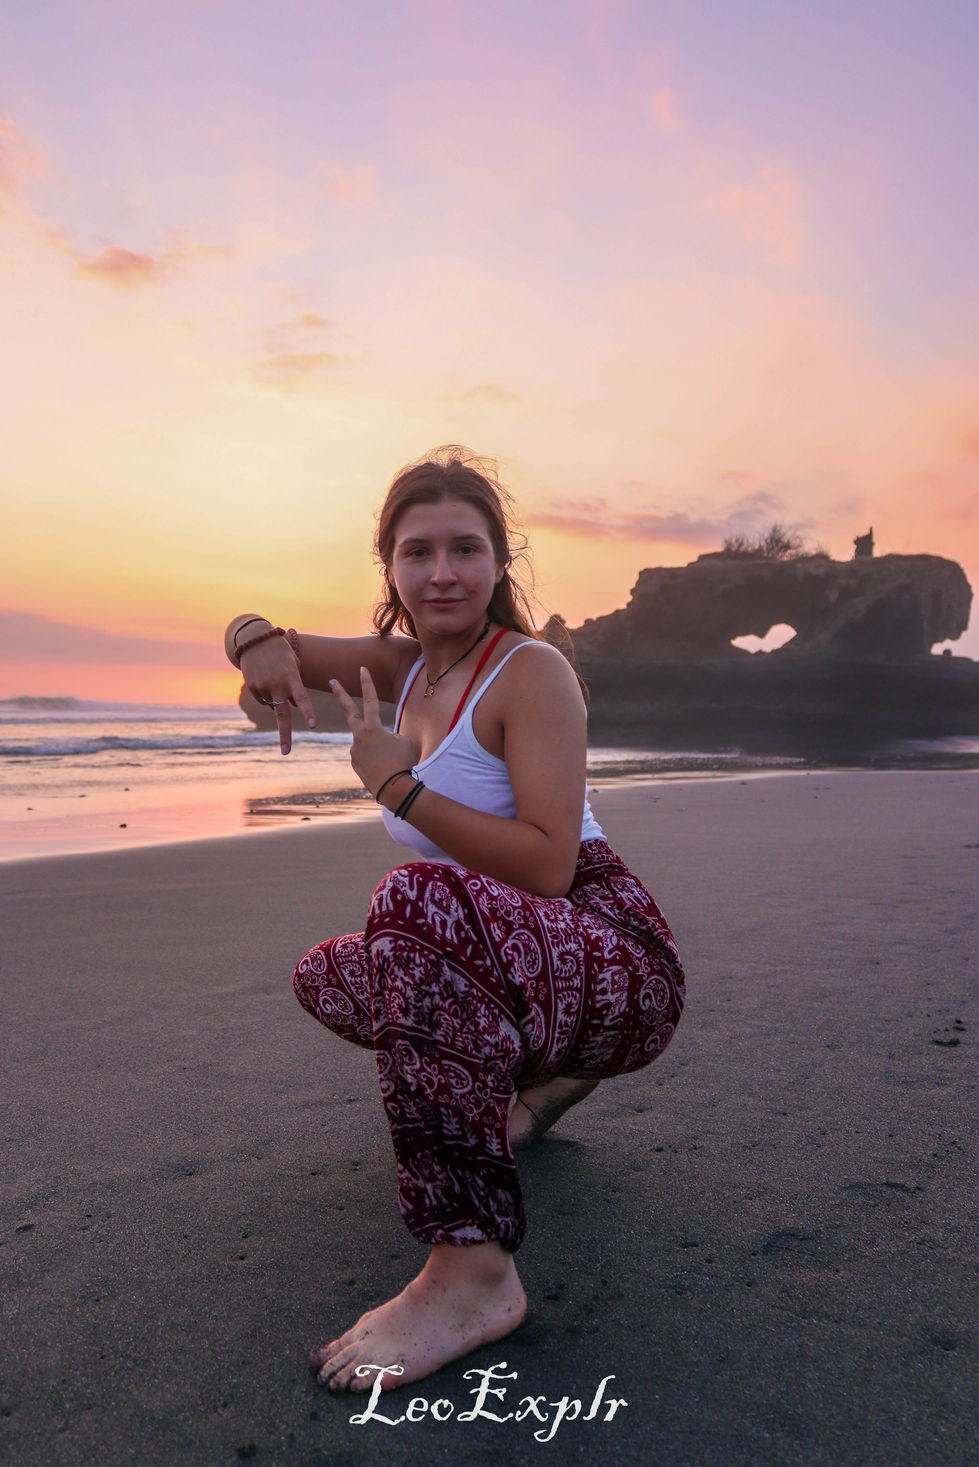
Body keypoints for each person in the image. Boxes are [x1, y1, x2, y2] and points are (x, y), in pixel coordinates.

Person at [223, 446, 685, 1395]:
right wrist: (251, 637)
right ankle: (546, 1083)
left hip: (613, 952)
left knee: (410, 900)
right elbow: (273, 665)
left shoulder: (531, 671)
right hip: (508, 955)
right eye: (418, 551)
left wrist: (395, 784)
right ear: (388, 567)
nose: (442, 572)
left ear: (499, 561)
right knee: (331, 973)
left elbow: (551, 865)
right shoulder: (402, 667)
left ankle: (471, 1271)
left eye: (465, 549)